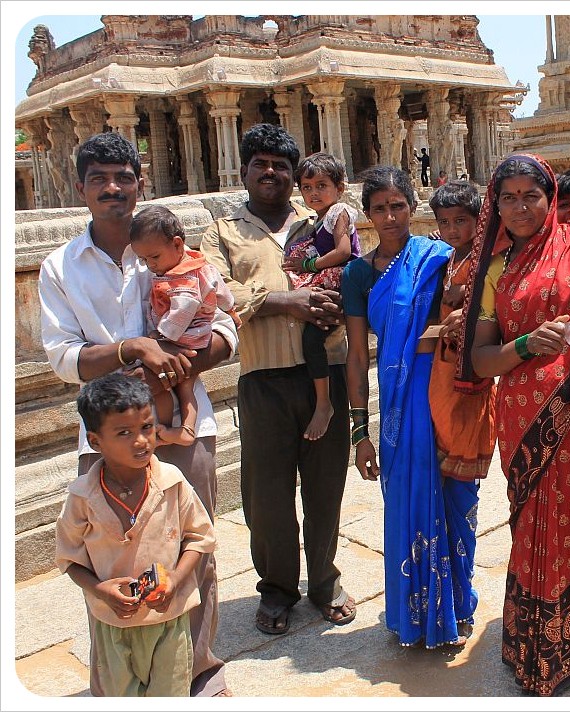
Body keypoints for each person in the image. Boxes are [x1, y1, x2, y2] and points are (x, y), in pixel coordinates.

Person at [39, 131, 236, 697]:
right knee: (107, 553)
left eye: (122, 176)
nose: (112, 188)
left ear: (138, 183)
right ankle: (120, 670)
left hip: (183, 423)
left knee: (194, 546)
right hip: (104, 433)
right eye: (98, 178)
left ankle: (197, 666)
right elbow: (61, 357)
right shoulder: (61, 266)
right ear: (80, 189)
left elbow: (225, 324)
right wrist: (132, 349)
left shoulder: (175, 249)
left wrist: (184, 362)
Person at [458, 154, 570, 695]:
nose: (519, 207)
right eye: (507, 197)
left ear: (550, 196)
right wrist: (525, 343)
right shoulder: (493, 269)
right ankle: (538, 642)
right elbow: (480, 360)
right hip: (524, 421)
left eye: (530, 196)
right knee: (537, 525)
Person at [200, 124, 356, 636]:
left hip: (325, 374)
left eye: (280, 165)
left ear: (295, 175)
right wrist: (282, 301)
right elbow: (218, 292)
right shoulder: (222, 230)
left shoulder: (322, 219)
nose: (271, 172)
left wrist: (337, 302)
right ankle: (277, 588)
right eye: (260, 163)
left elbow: (353, 267)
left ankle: (324, 580)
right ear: (244, 171)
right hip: (263, 376)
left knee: (326, 484)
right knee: (266, 494)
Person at [343, 166, 475, 648]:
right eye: (379, 208)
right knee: (404, 503)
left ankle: (457, 608)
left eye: (398, 205)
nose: (390, 216)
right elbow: (357, 357)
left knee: (455, 497)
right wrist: (360, 433)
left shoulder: (437, 258)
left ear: (414, 206)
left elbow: (466, 316)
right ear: (367, 215)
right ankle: (414, 617)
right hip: (399, 404)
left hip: (441, 392)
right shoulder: (358, 274)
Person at [56, 373, 216, 697]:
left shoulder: (172, 481)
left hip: (170, 621)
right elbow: (68, 559)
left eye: (146, 427)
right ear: (95, 441)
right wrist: (101, 590)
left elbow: (199, 538)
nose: (141, 440)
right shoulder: (82, 498)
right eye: (124, 433)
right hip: (111, 628)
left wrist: (175, 578)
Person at [129, 205, 242, 448]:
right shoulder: (197, 264)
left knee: (167, 386)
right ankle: (180, 428)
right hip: (194, 335)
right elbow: (219, 288)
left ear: (178, 244)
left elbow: (183, 309)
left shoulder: (182, 279)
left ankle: (171, 428)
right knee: (184, 386)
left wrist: (160, 340)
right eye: (143, 259)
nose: (150, 265)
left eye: (154, 257)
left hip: (183, 338)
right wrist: (231, 309)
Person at [282, 152, 362, 440]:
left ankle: (325, 403)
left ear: (339, 188)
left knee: (312, 340)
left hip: (338, 281)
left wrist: (308, 265)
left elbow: (342, 251)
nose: (313, 193)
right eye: (307, 187)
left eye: (321, 185)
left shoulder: (339, 212)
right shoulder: (318, 219)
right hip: (330, 280)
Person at [428, 180, 497, 493]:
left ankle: (464, 485)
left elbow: (496, 298)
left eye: (460, 221)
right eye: (444, 222)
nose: (452, 229)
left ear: (478, 219)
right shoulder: (449, 256)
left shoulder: (487, 260)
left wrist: (467, 296)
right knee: (443, 415)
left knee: (465, 420)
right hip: (444, 357)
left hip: (470, 357)